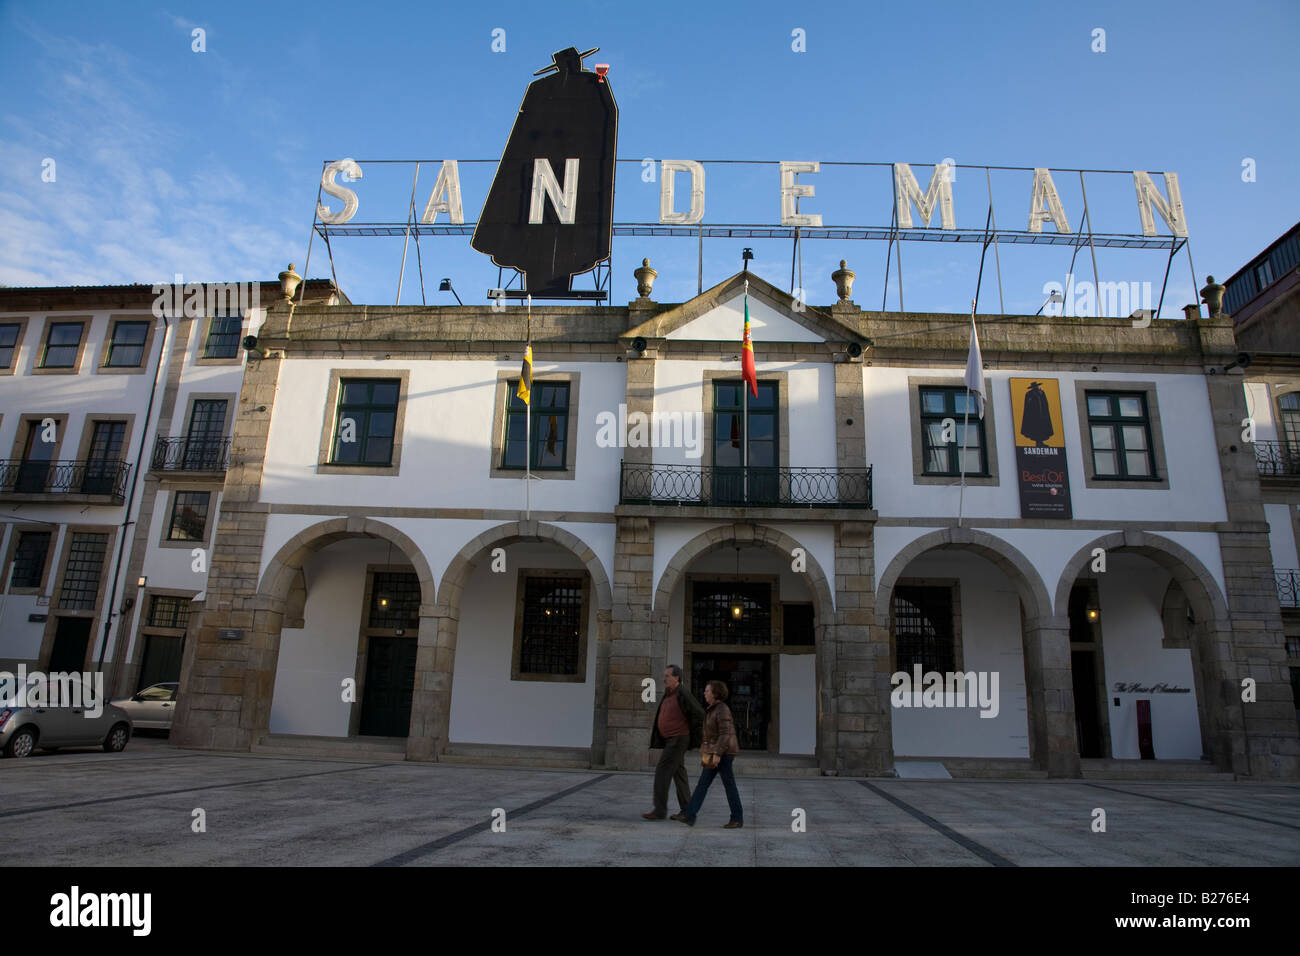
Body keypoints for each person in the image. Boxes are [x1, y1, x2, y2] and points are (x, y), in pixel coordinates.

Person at [677, 680, 743, 828]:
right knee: (703, 784)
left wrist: (718, 754)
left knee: (728, 785)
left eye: (707, 691)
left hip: (723, 754)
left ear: (715, 694)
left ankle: (737, 818)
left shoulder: (722, 709)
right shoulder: (713, 709)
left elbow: (725, 734)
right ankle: (690, 815)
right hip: (714, 752)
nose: (704, 693)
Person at [643, 665, 705, 821]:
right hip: (671, 739)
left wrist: (693, 735)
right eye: (664, 675)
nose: (664, 678)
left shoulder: (682, 692)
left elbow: (699, 713)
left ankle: (659, 810)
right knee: (679, 774)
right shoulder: (669, 693)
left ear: (677, 677)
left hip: (678, 739)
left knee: (662, 771)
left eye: (668, 676)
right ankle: (687, 810)